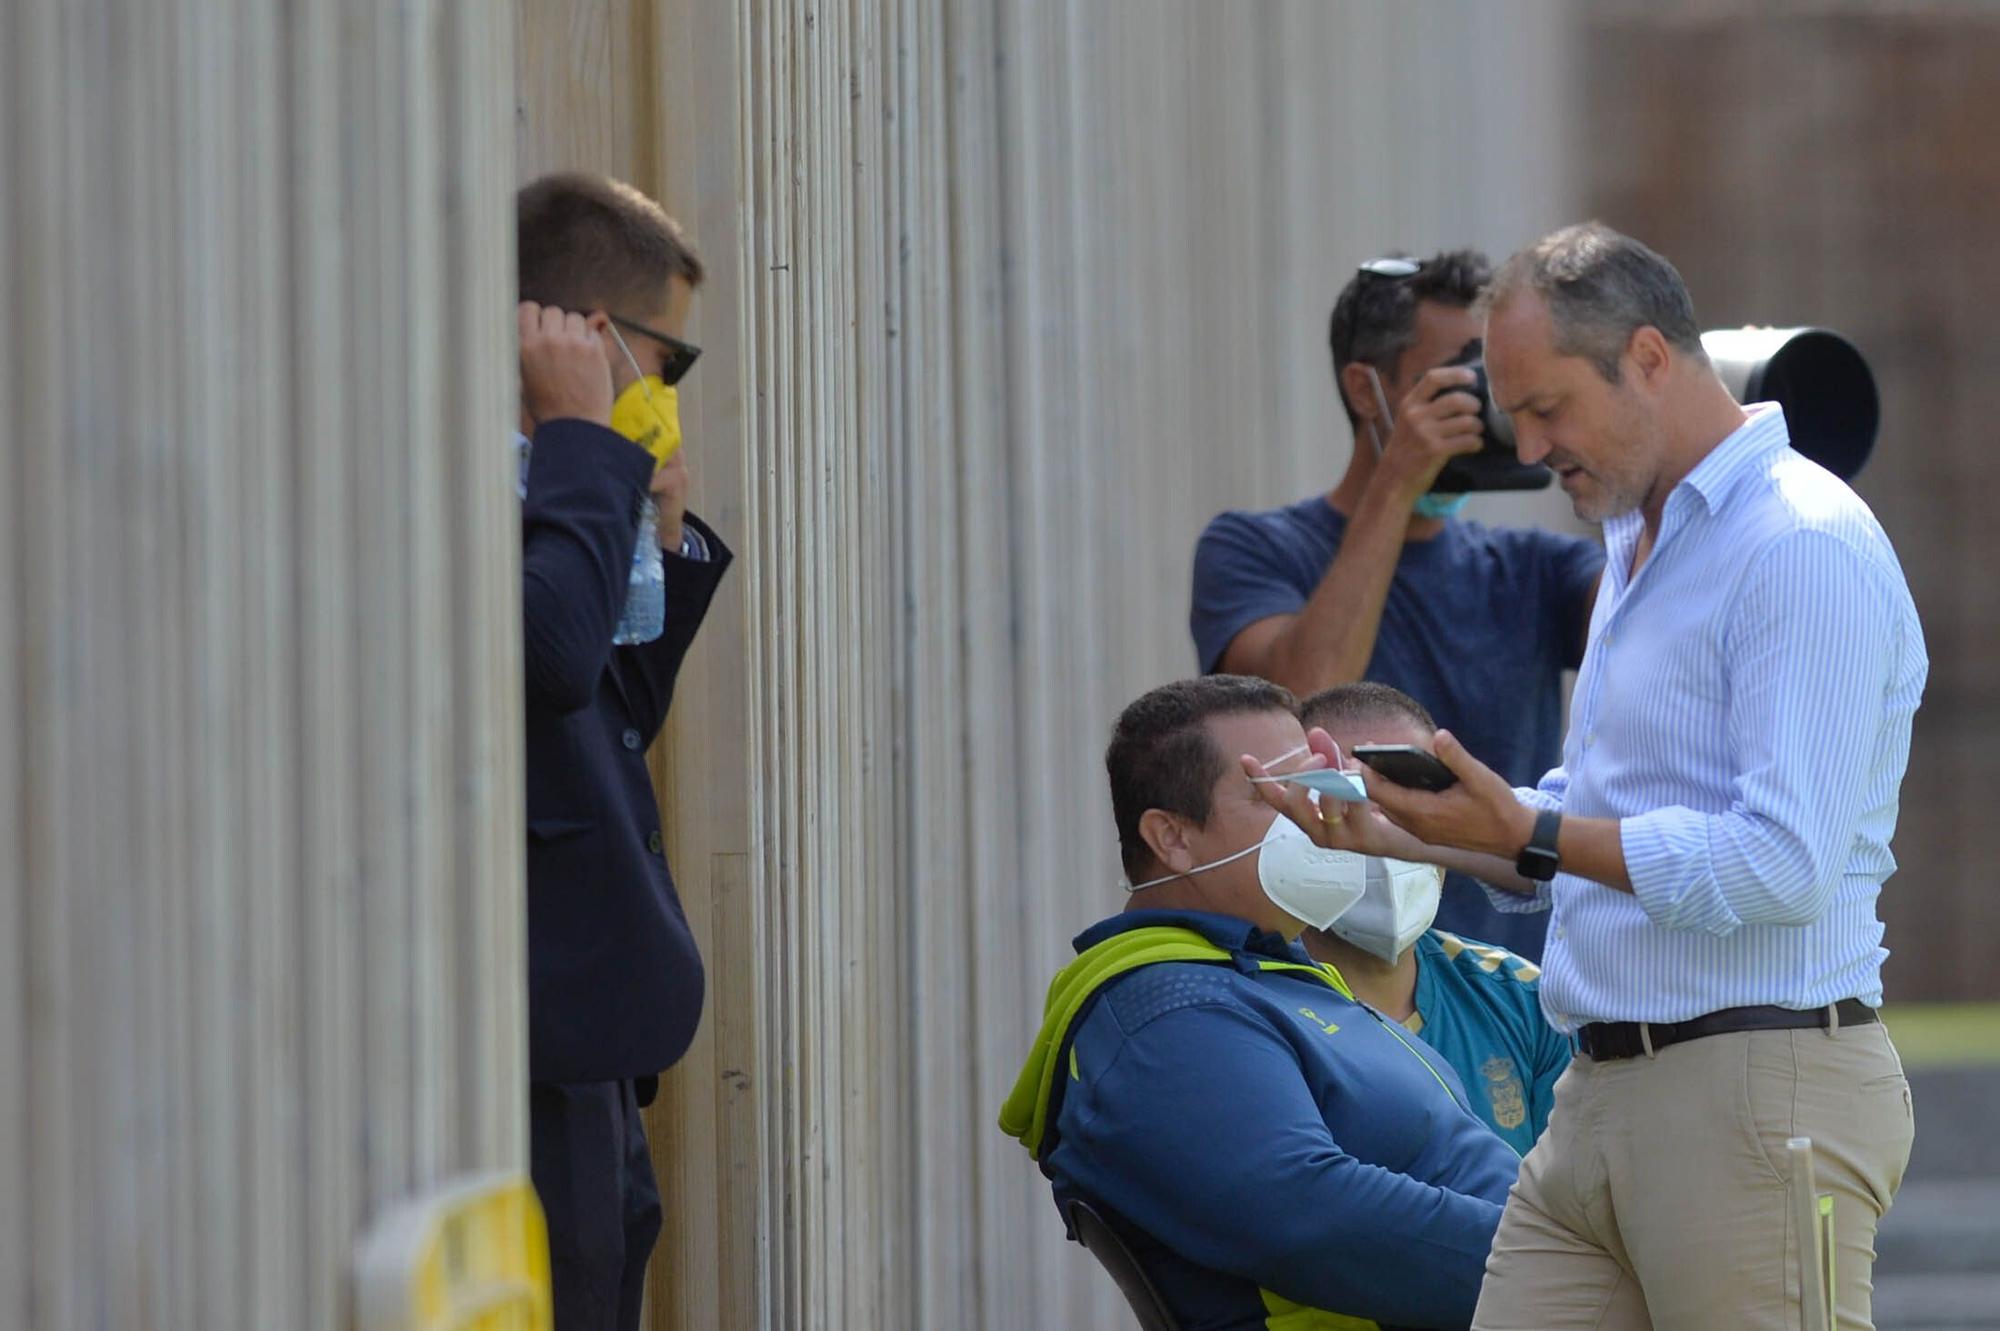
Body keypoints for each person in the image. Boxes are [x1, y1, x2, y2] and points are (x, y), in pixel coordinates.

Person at [1314, 224, 1924, 1330]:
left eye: (1547, 407)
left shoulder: (1800, 543)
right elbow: (1604, 819)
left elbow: (1781, 862)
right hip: (1593, 1094)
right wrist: (1416, 830)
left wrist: (1533, 834)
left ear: (1647, 357)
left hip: (1755, 1087)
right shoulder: (1638, 539)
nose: (1530, 445)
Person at [1000, 676, 1520, 1331]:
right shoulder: (1166, 1011)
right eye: (1276, 791)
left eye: (1317, 784)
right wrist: (1558, 1261)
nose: (1314, 812)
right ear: (1172, 837)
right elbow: (1310, 1215)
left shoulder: (1258, 975)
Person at [1190, 249, 1604, 963]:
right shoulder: (1253, 548)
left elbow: (1675, 632)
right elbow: (1303, 693)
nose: (1491, 402)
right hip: (1327, 982)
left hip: (1511, 990)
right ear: (1365, 389)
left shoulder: (1540, 569)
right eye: (1465, 376)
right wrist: (1399, 478)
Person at [515, 172, 732, 1331]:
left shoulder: (563, 483)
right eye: (670, 359)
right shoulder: (511, 475)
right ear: (592, 336)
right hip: (535, 1043)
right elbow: (548, 656)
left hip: (598, 1047)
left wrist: (651, 520)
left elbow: (613, 709)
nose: (669, 388)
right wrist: (584, 452)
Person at [1295, 683, 1569, 1157]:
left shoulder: (1525, 999)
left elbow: (1574, 1197)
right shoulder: (1255, 1005)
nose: (1378, 829)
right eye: (1345, 798)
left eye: (1410, 798)